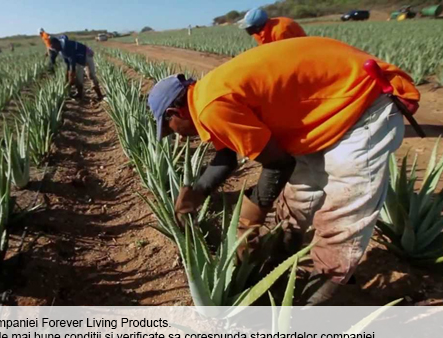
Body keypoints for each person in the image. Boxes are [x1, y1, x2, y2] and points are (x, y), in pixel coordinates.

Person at [146, 37, 420, 305]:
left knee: (344, 208)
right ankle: (280, 253)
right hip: (325, 110)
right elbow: (227, 155)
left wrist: (249, 218)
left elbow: (279, 164)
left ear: (175, 112)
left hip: (363, 101)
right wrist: (197, 192)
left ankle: (320, 292)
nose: (176, 137)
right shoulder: (205, 95)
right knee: (301, 193)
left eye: (169, 129)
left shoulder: (210, 107)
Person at [49, 36, 103, 100]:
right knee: (78, 77)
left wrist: (71, 79)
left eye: (54, 47)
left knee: (91, 75)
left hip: (86, 55)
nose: (55, 49)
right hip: (78, 59)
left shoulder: (67, 46)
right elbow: (68, 64)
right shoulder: (60, 49)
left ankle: (99, 95)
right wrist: (68, 77)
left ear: (57, 43)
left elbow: (72, 64)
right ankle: (80, 95)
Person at [238, 8, 306, 45]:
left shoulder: (280, 31)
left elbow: (287, 53)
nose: (246, 29)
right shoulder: (258, 33)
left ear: (257, 27)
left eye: (249, 27)